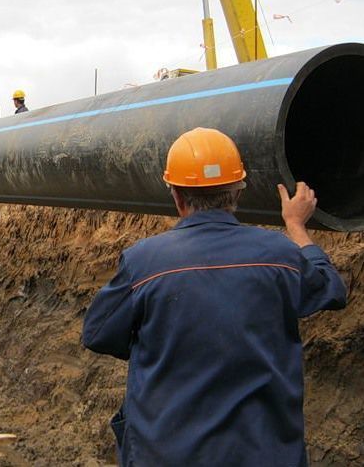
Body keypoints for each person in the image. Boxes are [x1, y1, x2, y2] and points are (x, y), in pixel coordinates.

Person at [82, 128, 347, 467]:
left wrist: (163, 342)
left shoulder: (144, 261)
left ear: (176, 195)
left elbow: (97, 334)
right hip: (266, 455)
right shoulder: (279, 254)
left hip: (166, 453)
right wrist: (296, 226)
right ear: (237, 191)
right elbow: (331, 290)